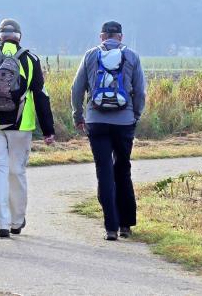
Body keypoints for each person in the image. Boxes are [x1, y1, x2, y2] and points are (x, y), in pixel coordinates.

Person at [0, 18, 55, 238]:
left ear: (0, 36)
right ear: (19, 37)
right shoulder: (30, 58)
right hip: (21, 126)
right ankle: (17, 221)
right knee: (17, 172)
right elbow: (41, 95)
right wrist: (48, 130)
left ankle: (2, 223)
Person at [71, 21, 146, 241]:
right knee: (123, 169)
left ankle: (110, 228)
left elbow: (76, 89)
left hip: (96, 121)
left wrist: (78, 116)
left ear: (101, 36)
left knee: (104, 171)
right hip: (124, 122)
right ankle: (125, 225)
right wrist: (135, 115)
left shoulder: (90, 55)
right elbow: (140, 92)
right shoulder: (132, 56)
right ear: (120, 37)